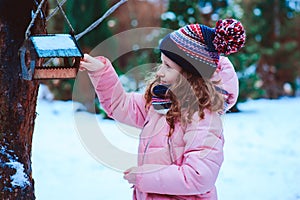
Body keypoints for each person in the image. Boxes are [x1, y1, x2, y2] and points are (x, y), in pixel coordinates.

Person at [80, 18, 246, 200]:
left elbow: (199, 176)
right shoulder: (161, 103)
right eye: (162, 63)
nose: (159, 72)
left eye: (168, 66)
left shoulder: (202, 117)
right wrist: (101, 72)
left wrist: (144, 177)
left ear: (190, 75)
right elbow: (120, 106)